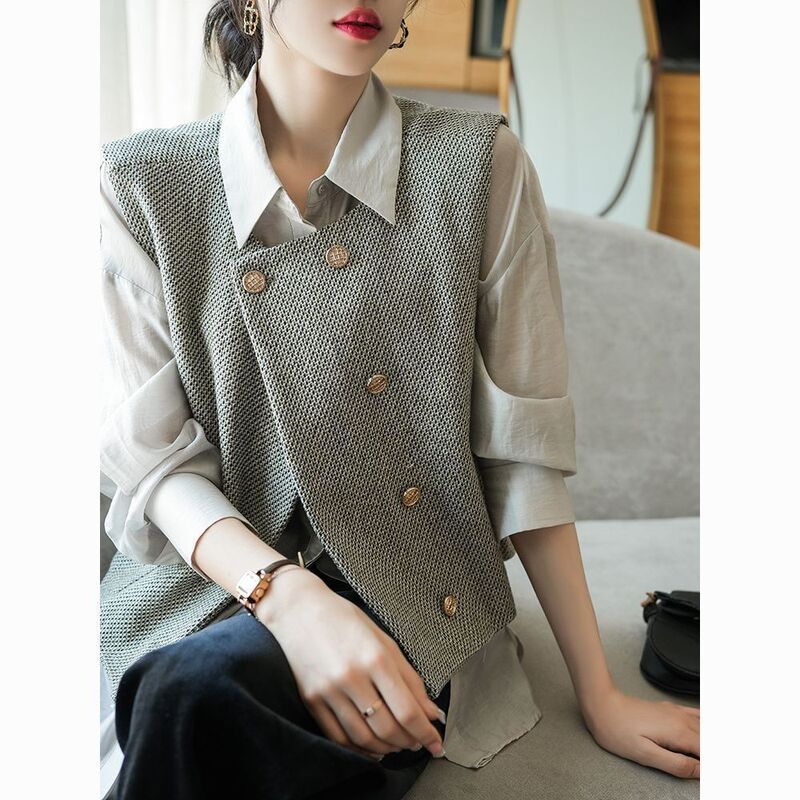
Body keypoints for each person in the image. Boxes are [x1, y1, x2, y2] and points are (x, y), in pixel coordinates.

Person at [99, 2, 700, 798]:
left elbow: (523, 456)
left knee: (201, 701)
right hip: (212, 584)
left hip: (411, 588)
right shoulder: (142, 184)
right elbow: (157, 464)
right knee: (186, 692)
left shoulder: (479, 165)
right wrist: (289, 599)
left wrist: (602, 695)